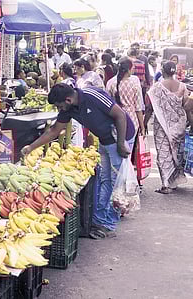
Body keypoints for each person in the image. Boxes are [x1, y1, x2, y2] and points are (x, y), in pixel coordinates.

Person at [21, 84, 136, 238]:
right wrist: (31, 147)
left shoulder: (91, 96)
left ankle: (108, 224)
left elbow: (120, 115)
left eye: (59, 105)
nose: (59, 109)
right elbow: (54, 130)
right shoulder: (68, 109)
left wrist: (121, 143)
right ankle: (100, 220)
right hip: (104, 139)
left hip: (120, 137)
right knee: (105, 180)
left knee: (116, 183)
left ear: (68, 100)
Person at [145, 62, 193, 194]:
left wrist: (144, 123)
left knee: (163, 154)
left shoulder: (156, 88)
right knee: (176, 153)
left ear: (163, 71)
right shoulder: (183, 86)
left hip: (162, 125)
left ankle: (166, 184)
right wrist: (191, 123)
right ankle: (173, 181)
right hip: (178, 126)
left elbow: (149, 107)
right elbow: (187, 108)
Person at [106, 57, 145, 136]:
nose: (134, 70)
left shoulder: (110, 83)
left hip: (115, 121)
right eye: (133, 68)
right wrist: (142, 127)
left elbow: (107, 104)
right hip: (132, 121)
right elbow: (138, 108)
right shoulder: (134, 83)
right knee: (129, 147)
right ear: (128, 70)